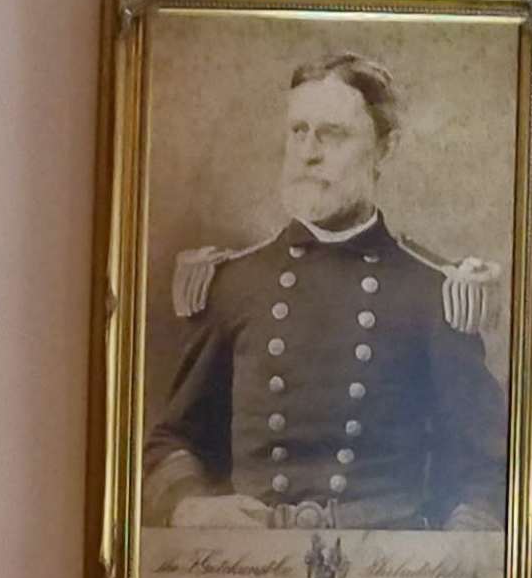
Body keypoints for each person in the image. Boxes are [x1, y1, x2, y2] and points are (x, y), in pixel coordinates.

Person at [144, 53, 506, 533]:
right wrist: (192, 506)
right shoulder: (235, 284)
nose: (308, 152)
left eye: (332, 135)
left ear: (385, 147)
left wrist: (454, 557)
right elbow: (172, 440)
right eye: (298, 132)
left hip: (382, 574)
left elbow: (483, 468)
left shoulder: (432, 293)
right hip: (251, 568)